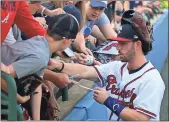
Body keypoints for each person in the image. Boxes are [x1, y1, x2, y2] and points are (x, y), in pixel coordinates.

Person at [46, 10, 165, 121]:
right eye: (118, 42)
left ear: (137, 45)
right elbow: (85, 71)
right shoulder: (116, 67)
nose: (117, 47)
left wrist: (108, 100)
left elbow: (142, 118)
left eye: (123, 43)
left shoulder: (152, 79)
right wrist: (58, 64)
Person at [1, 14, 79, 120]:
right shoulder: (40, 57)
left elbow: (36, 85)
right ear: (67, 41)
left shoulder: (40, 43)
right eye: (72, 41)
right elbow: (4, 76)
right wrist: (20, 99)